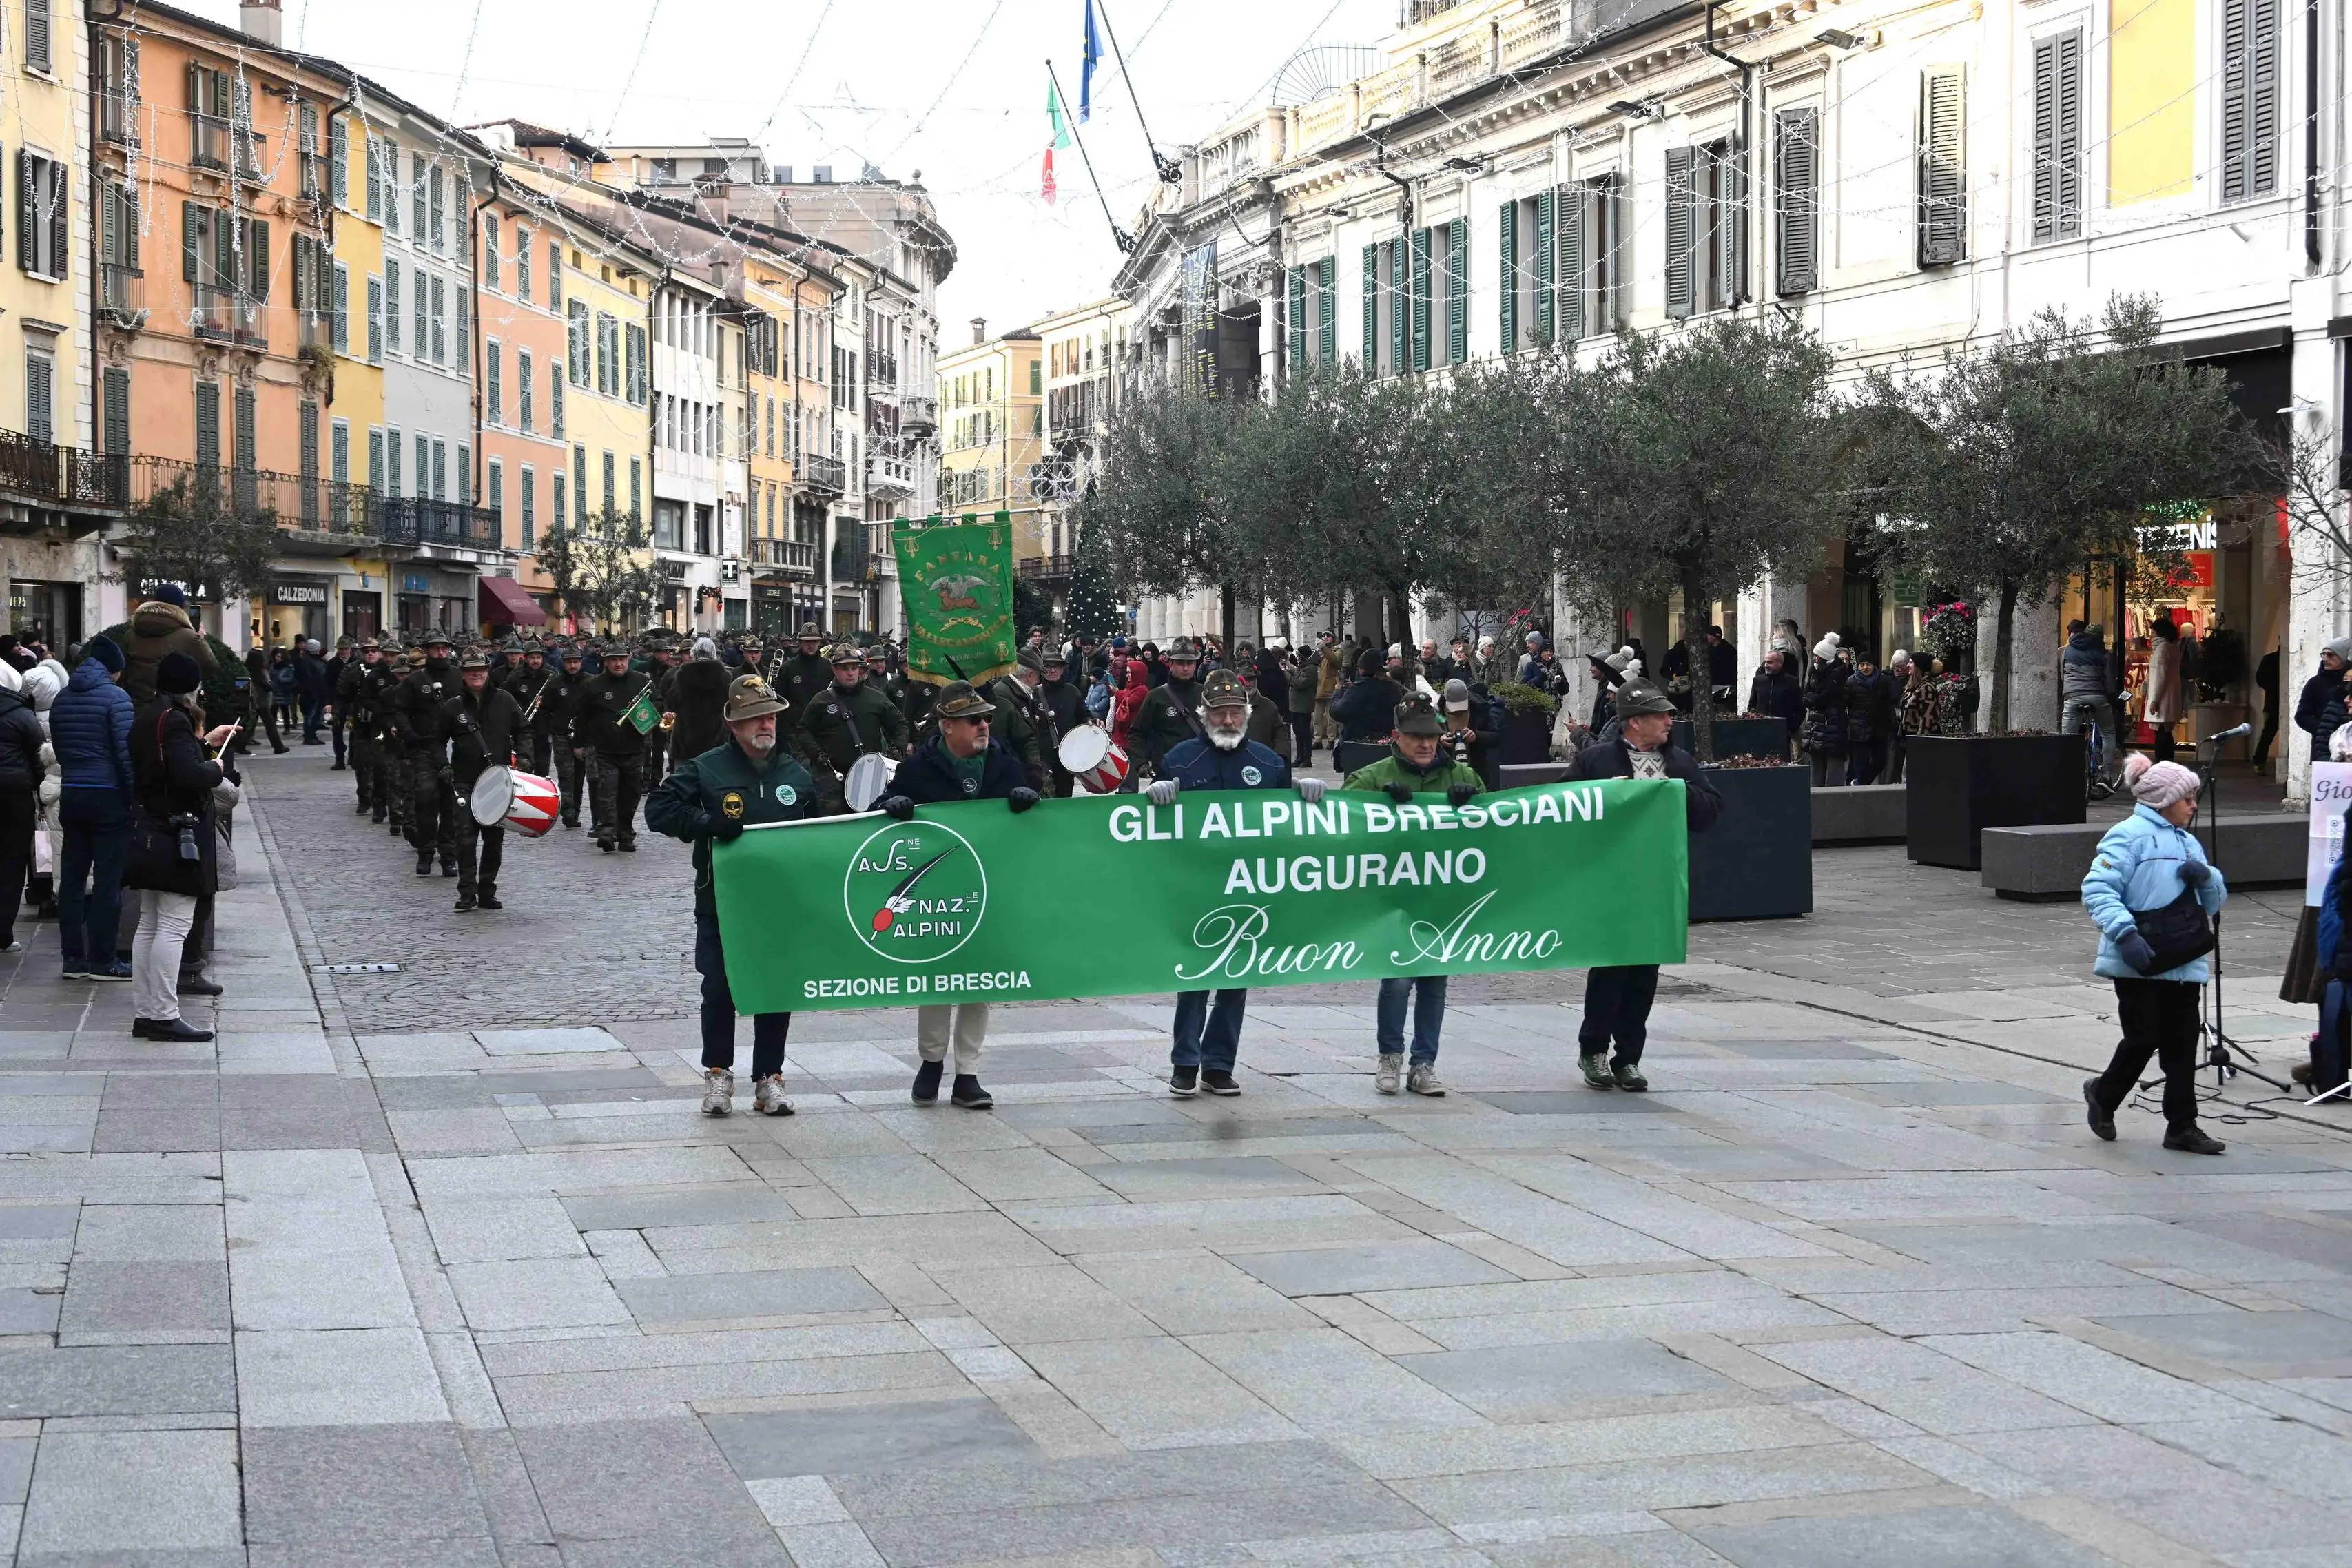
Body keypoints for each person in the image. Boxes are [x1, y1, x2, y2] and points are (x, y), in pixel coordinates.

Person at [1141, 672, 1320, 1096]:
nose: (1227, 719)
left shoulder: (1268, 763)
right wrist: (1156, 794)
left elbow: (1284, 821)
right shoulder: (1180, 759)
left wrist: (1301, 791)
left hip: (1248, 890)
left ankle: (1219, 1064)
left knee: (1235, 980)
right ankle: (1185, 1062)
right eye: (1219, 712)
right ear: (1205, 715)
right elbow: (1155, 827)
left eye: (1235, 712)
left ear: (1247, 715)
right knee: (1194, 978)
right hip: (1197, 886)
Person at [646, 674, 812, 1117]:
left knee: (775, 988)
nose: (765, 726)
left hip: (779, 903)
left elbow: (828, 825)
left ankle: (769, 1079)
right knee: (719, 987)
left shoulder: (796, 774)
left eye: (770, 717)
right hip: (721, 900)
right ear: (733, 725)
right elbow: (658, 810)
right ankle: (718, 1074)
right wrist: (705, 824)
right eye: (754, 719)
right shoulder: (708, 767)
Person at [878, 680, 1039, 1108]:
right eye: (974, 720)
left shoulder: (1005, 764)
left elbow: (1035, 812)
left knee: (979, 980)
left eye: (986, 718)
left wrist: (1028, 800)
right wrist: (893, 804)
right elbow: (882, 808)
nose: (985, 725)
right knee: (937, 978)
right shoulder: (920, 767)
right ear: (947, 726)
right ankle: (931, 1061)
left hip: (989, 885)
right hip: (939, 889)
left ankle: (968, 1072)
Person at [1567, 677, 1724, 1091]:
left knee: (1644, 972)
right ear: (1634, 722)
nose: (1670, 721)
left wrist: (1675, 792)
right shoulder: (1596, 761)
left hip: (1657, 881)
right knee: (1610, 967)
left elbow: (1710, 812)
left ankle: (1629, 1058)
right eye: (1661, 715)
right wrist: (1603, 796)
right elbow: (1562, 808)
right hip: (1610, 882)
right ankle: (1594, 1050)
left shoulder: (1681, 763)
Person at [2080, 754, 2229, 1155]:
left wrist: (2208, 877)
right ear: (2163, 800)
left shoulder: (2188, 841)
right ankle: (2104, 1095)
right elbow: (2098, 889)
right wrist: (2124, 934)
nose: (2194, 806)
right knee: (2143, 1037)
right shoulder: (2127, 836)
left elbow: (2213, 904)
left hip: (2182, 959)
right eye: (2188, 798)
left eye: (2195, 797)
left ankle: (2182, 1126)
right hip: (2140, 958)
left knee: (2181, 1045)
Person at [1341, 692, 1485, 1095]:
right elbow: (1341, 817)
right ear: (1396, 736)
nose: (1425, 744)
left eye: (1432, 736)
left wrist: (1472, 802)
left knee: (1435, 981)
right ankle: (1390, 1057)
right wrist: (1379, 802)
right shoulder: (1373, 775)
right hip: (1394, 898)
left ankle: (1424, 1064)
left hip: (1442, 897)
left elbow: (1494, 824)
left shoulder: (1461, 775)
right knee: (1399, 980)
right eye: (1415, 736)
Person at [123, 652, 235, 1042]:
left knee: (149, 924)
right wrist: (216, 768)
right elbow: (188, 776)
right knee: (172, 926)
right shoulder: (174, 719)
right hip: (175, 835)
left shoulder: (147, 714)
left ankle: (146, 1013)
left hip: (149, 830)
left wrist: (204, 742)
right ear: (189, 688)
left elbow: (163, 767)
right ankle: (165, 1015)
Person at [52, 636, 134, 981]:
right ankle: (103, 959)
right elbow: (125, 756)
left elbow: (60, 748)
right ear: (115, 670)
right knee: (107, 881)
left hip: (72, 792)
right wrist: (133, 798)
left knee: (71, 879)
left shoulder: (62, 697)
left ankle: (73, 959)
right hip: (108, 796)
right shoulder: (117, 698)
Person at [441, 651, 524, 913]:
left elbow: (523, 730)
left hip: (498, 781)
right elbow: (436, 740)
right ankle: (467, 892)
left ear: (488, 672)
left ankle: (487, 890)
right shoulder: (452, 706)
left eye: (481, 669)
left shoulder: (504, 700)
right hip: (464, 780)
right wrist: (442, 765)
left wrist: (526, 756)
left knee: (493, 841)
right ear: (462, 674)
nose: (476, 674)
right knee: (465, 839)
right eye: (470, 670)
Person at [802, 641, 914, 801]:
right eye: (845, 669)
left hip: (870, 776)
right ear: (835, 670)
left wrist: (897, 749)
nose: (850, 673)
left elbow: (900, 724)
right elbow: (803, 730)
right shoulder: (821, 700)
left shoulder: (875, 697)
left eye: (854, 668)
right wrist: (817, 754)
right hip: (831, 778)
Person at [393, 632, 462, 876]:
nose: (441, 653)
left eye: (444, 649)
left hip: (454, 749)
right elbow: (399, 710)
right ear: (427, 651)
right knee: (425, 802)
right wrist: (409, 735)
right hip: (424, 748)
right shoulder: (414, 681)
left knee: (452, 805)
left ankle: (449, 857)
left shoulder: (458, 676)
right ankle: (425, 853)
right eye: (435, 649)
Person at [575, 643, 655, 852]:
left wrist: (657, 713)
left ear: (629, 659)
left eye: (622, 659)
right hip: (604, 750)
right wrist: (579, 744)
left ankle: (626, 833)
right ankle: (607, 832)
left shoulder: (642, 682)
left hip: (634, 748)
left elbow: (659, 704)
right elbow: (582, 716)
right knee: (607, 792)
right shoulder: (594, 685)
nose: (618, 663)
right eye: (613, 660)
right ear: (606, 662)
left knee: (631, 794)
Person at [0, 663, 45, 955]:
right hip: (14, 796)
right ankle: (3, 933)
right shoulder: (23, 716)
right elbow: (40, 757)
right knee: (12, 863)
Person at [118, 587, 218, 705]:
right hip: (174, 709)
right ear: (180, 609)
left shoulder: (131, 634)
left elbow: (122, 671)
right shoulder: (189, 637)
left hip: (135, 707)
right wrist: (200, 641)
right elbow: (211, 668)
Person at [1130, 637, 1208, 778]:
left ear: (1195, 665)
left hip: (1202, 768)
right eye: (1180, 663)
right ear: (1171, 664)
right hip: (1167, 770)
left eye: (1189, 663)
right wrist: (1140, 762)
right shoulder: (1156, 696)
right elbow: (1137, 732)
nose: (1185, 668)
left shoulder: (1206, 694)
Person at [988, 650, 1057, 794]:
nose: (1039, 681)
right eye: (1038, 676)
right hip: (1013, 772)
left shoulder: (1020, 692)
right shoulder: (1003, 693)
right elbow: (1000, 739)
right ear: (1030, 675)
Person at [2061, 622, 2119, 785]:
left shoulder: (2066, 650)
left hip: (2073, 697)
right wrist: (2114, 699)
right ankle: (2106, 776)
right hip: (2097, 697)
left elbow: (2062, 675)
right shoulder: (2104, 655)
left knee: (2068, 738)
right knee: (2108, 733)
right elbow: (2109, 683)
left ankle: (2068, 775)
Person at [539, 646, 589, 829]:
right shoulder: (555, 683)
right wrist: (549, 730)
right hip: (562, 735)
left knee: (580, 774)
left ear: (581, 663)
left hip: (584, 736)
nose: (573, 665)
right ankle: (567, 810)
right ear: (564, 663)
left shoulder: (591, 682)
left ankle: (576, 809)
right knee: (565, 774)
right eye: (569, 662)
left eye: (576, 662)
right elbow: (545, 710)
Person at [666, 641, 733, 772]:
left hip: (686, 741)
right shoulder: (725, 677)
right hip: (715, 740)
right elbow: (729, 707)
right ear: (714, 654)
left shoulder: (682, 675)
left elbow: (672, 702)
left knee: (684, 785)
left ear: (694, 654)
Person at [1038, 649, 1089, 794]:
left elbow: (1084, 716)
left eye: (1057, 666)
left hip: (1067, 758)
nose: (1052, 670)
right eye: (1048, 666)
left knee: (1065, 798)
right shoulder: (1033, 694)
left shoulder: (1073, 692)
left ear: (1062, 669)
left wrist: (1091, 721)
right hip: (1042, 759)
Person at [1799, 636, 1849, 786]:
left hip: (1831, 724)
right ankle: (1815, 795)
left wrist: (1813, 699)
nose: (1814, 658)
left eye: (1817, 656)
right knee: (1816, 764)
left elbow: (1824, 698)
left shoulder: (1837, 674)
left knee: (1833, 766)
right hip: (1815, 724)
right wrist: (1811, 699)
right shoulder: (1814, 671)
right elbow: (1807, 692)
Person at [2295, 638, 2351, 763]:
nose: (2325, 659)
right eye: (2323, 654)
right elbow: (2302, 716)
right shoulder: (2315, 684)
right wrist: (2324, 730)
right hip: (2323, 748)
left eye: (2330, 655)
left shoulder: (2350, 680)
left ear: (2342, 658)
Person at [1331, 650, 1403, 743]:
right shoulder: (1393, 687)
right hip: (1386, 740)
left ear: (1362, 669)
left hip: (1360, 743)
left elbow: (1339, 712)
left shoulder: (1360, 689)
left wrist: (1338, 693)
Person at [1843, 651, 1891, 786]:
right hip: (1858, 731)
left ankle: (1858, 784)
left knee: (1881, 761)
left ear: (1874, 666)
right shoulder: (1851, 682)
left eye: (1868, 664)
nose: (1865, 668)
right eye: (1862, 665)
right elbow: (1843, 704)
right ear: (1858, 667)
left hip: (1878, 729)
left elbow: (1887, 705)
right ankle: (1860, 794)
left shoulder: (1882, 682)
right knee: (1861, 767)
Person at [2145, 612, 2183, 763]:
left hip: (2162, 698)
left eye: (2153, 631)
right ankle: (2167, 762)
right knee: (2166, 733)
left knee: (2161, 733)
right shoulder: (2173, 647)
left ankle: (2162, 763)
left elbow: (2160, 676)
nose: (2151, 634)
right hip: (2170, 697)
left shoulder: (2162, 649)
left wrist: (2154, 700)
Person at [1746, 649, 1801, 749]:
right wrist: (1754, 721)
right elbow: (1751, 705)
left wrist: (1791, 727)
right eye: (1765, 662)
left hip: (1782, 731)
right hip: (1760, 729)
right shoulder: (1758, 680)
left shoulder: (1791, 682)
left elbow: (1800, 709)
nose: (1766, 665)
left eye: (1770, 663)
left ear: (1780, 664)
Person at [776, 623, 833, 716]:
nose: (811, 645)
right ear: (800, 642)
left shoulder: (829, 667)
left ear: (819, 642)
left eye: (814, 641)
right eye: (807, 642)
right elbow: (781, 701)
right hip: (794, 725)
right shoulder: (787, 668)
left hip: (823, 724)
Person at [293, 638, 331, 745]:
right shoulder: (307, 661)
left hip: (317, 692)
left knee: (315, 716)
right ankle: (309, 737)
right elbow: (307, 678)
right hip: (310, 693)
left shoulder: (314, 660)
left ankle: (312, 735)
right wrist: (312, 691)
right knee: (310, 716)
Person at [2254, 643, 2281, 772]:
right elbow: (2260, 678)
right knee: (2267, 733)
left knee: (2267, 734)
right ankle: (2259, 761)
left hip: (2272, 701)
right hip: (2273, 701)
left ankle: (2259, 762)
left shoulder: (2269, 659)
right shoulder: (2271, 659)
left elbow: (2260, 678)